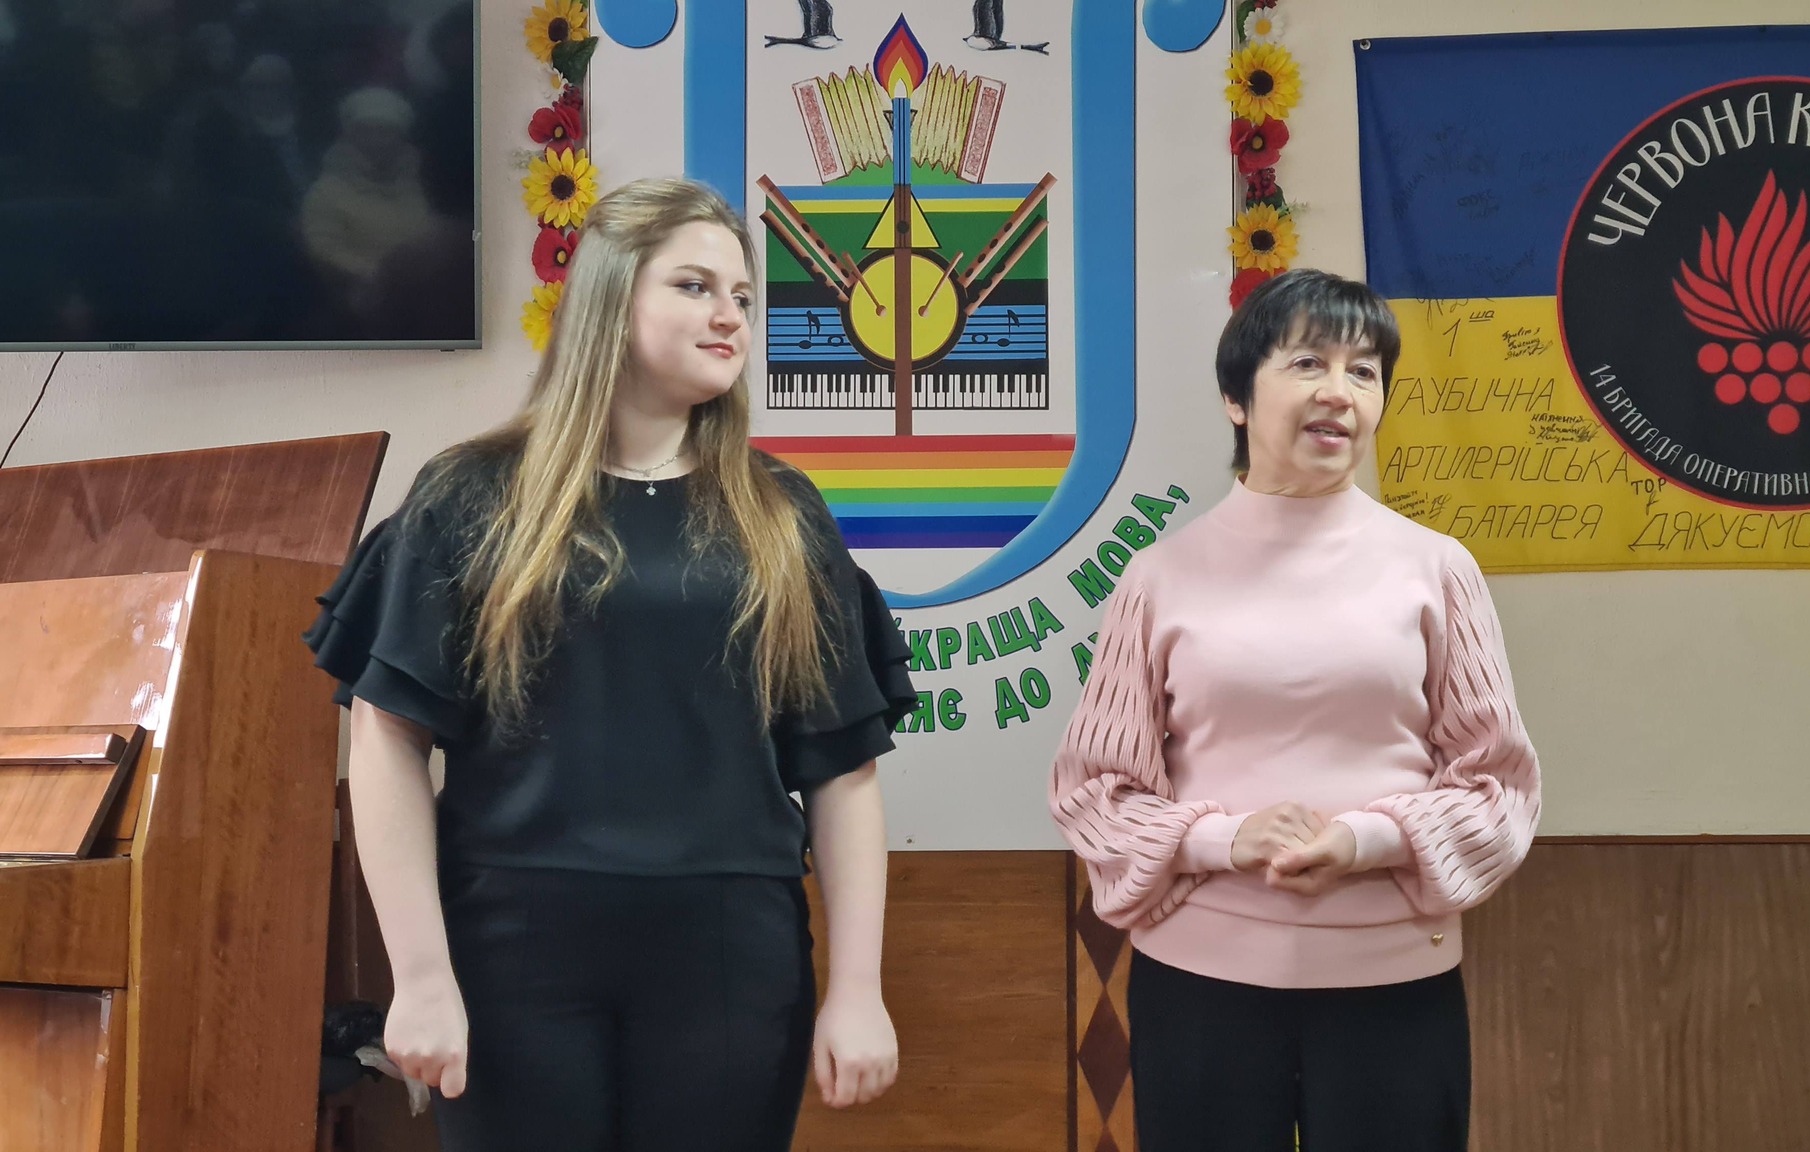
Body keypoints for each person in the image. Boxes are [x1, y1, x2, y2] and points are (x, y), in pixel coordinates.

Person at [305, 177, 915, 1151]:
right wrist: (417, 978)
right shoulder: (471, 496)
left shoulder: (781, 515)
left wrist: (859, 989)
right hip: (512, 951)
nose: (730, 315)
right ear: (608, 299)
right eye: (694, 286)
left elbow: (842, 769)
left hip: (729, 955)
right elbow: (386, 738)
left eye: (742, 295)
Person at [1048, 268, 1540, 1152]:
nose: (1339, 392)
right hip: (1198, 987)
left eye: (1364, 371)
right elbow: (1095, 793)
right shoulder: (1158, 577)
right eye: (1309, 362)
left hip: (1397, 985)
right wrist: (1223, 839)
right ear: (1236, 398)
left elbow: (1499, 788)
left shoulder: (1438, 569)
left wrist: (1366, 839)